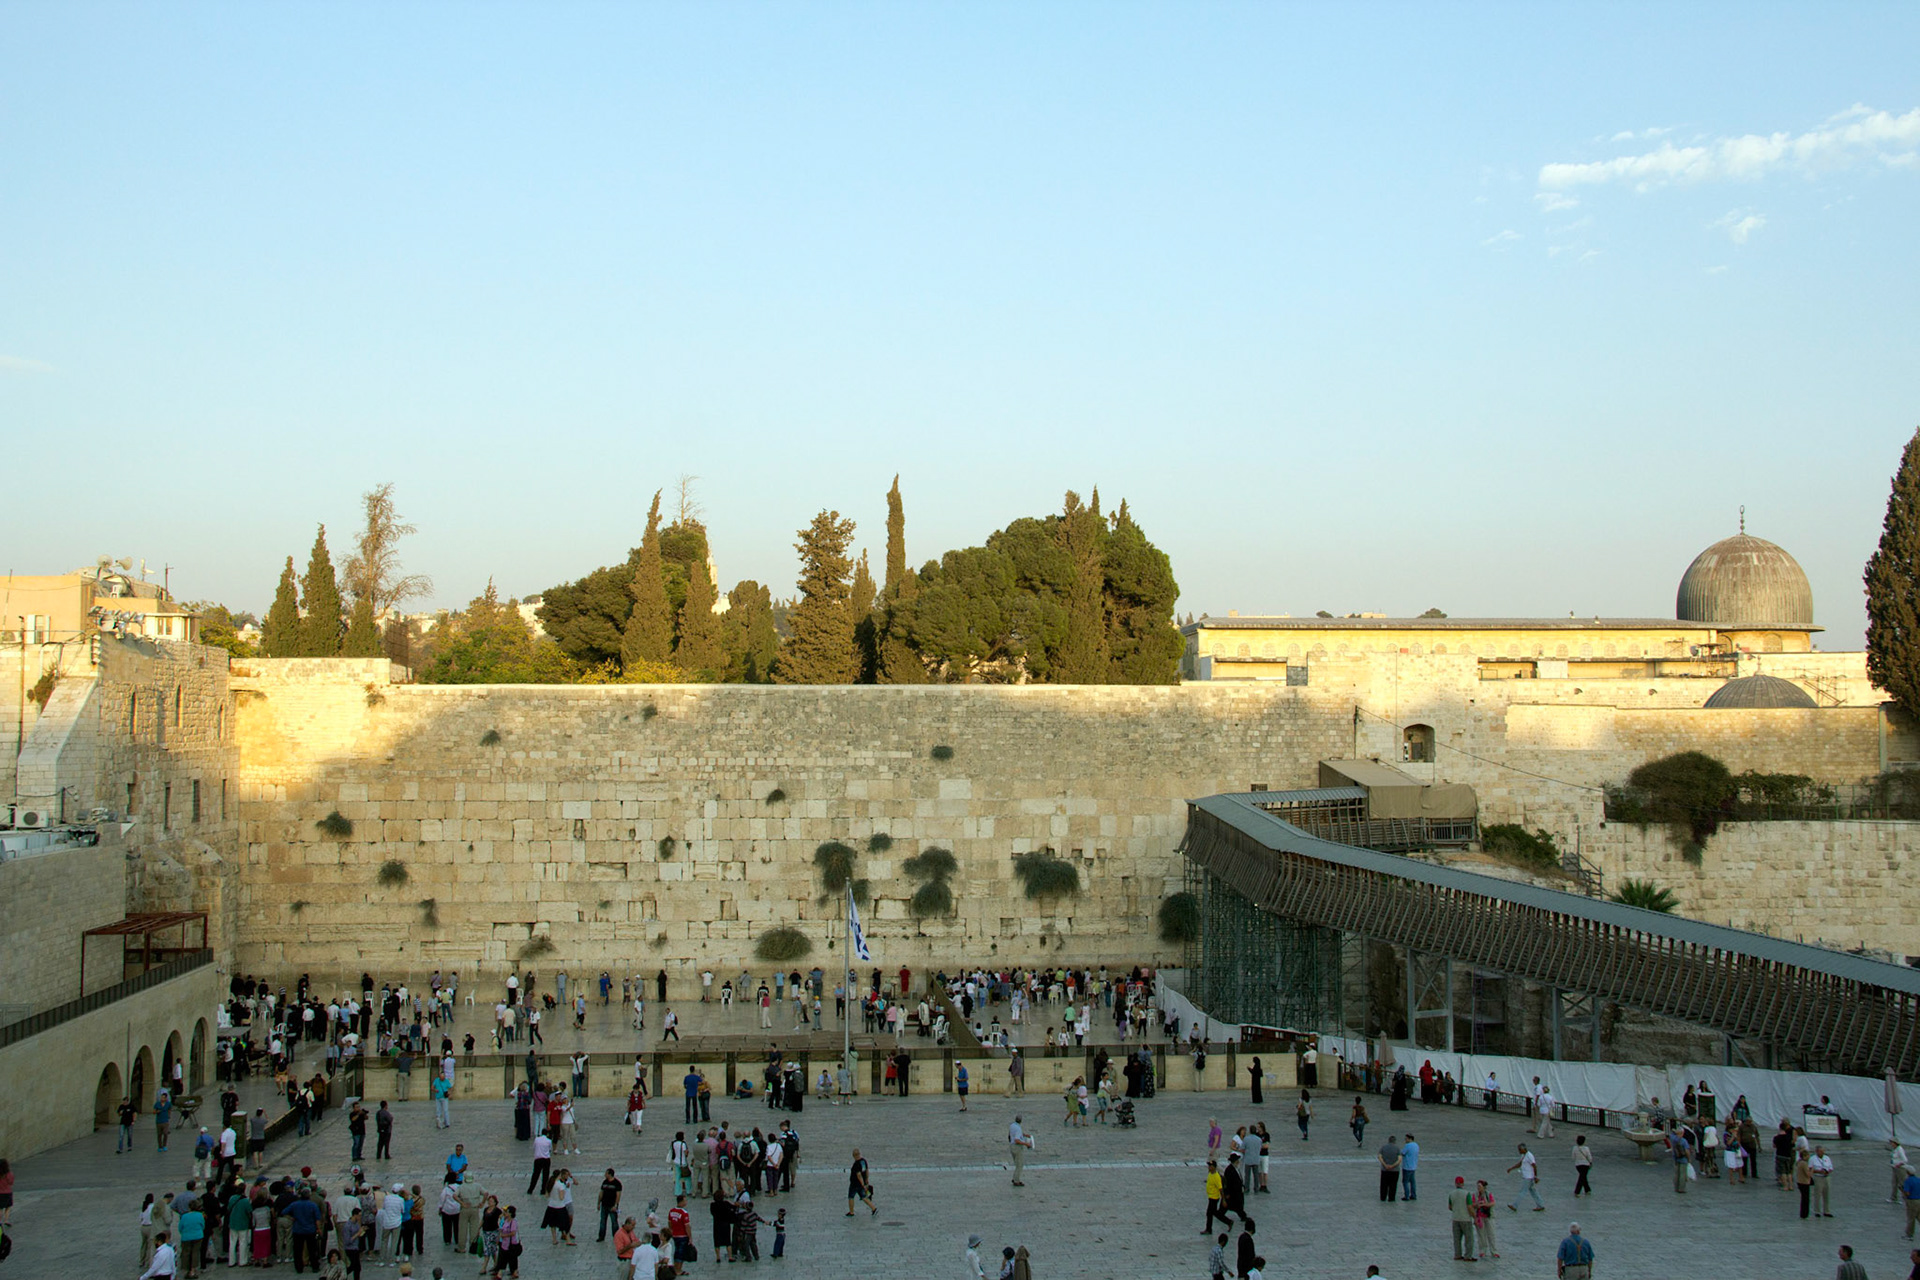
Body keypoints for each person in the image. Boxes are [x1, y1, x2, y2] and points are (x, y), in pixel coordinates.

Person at [1447, 1176, 1476, 1261]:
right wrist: (1474, 1216)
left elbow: (1450, 1207)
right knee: (1469, 1238)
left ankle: (1457, 1254)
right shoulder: (1467, 1194)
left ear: (1455, 1184)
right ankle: (1468, 1256)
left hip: (1455, 1218)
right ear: (1463, 1184)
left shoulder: (1451, 1194)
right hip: (1465, 1219)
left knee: (1457, 1239)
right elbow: (1470, 1207)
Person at [1508, 1143, 1544, 1211]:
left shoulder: (1529, 1156)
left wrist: (1535, 1176)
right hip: (1527, 1176)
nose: (1519, 1151)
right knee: (1533, 1191)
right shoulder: (1523, 1155)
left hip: (1529, 1177)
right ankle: (1540, 1205)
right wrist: (1511, 1168)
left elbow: (1534, 1166)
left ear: (1523, 1149)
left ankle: (1515, 1205)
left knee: (1523, 1191)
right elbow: (1520, 1164)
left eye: (1519, 1150)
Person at [1472, 1179, 1499, 1260]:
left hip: (1488, 1216)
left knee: (1491, 1234)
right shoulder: (1475, 1195)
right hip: (1480, 1217)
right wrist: (1477, 1205)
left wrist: (1485, 1204)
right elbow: (1472, 1204)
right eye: (1477, 1186)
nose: (1478, 1188)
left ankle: (1494, 1251)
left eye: (1480, 1186)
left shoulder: (1488, 1194)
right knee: (1481, 1234)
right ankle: (1482, 1250)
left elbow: (1493, 1202)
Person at [847, 1148, 876, 1215]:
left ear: (853, 1156)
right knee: (863, 1197)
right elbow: (867, 1171)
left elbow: (859, 1175)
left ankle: (851, 1212)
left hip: (855, 1184)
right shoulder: (863, 1161)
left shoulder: (856, 1164)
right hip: (862, 1184)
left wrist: (863, 1184)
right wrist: (866, 1181)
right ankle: (873, 1208)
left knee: (851, 1197)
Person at [1009, 1116, 1033, 1186]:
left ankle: (1015, 1178)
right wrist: (1026, 1144)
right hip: (1017, 1148)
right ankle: (1016, 1180)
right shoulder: (1018, 1128)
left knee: (1017, 1163)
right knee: (1019, 1165)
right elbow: (1017, 1140)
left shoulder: (1012, 1125)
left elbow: (1011, 1135)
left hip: (1012, 1146)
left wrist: (1024, 1135)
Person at [1377, 1136, 1402, 1202]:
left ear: (1388, 1140)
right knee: (1393, 1185)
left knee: (1383, 1185)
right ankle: (1391, 1198)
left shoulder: (1383, 1147)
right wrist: (1392, 1166)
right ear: (1395, 1141)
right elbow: (1399, 1160)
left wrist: (1385, 1165)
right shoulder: (1397, 1148)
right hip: (1395, 1170)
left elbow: (1379, 1157)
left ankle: (1383, 1197)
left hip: (1385, 1170)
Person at [1400, 1133, 1420, 1201]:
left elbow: (1403, 1153)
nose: (1405, 1140)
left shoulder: (1407, 1146)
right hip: (1413, 1166)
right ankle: (1413, 1195)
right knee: (1412, 1182)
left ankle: (1407, 1196)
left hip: (1407, 1166)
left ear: (1410, 1139)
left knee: (1405, 1182)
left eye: (1406, 1138)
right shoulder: (1416, 1145)